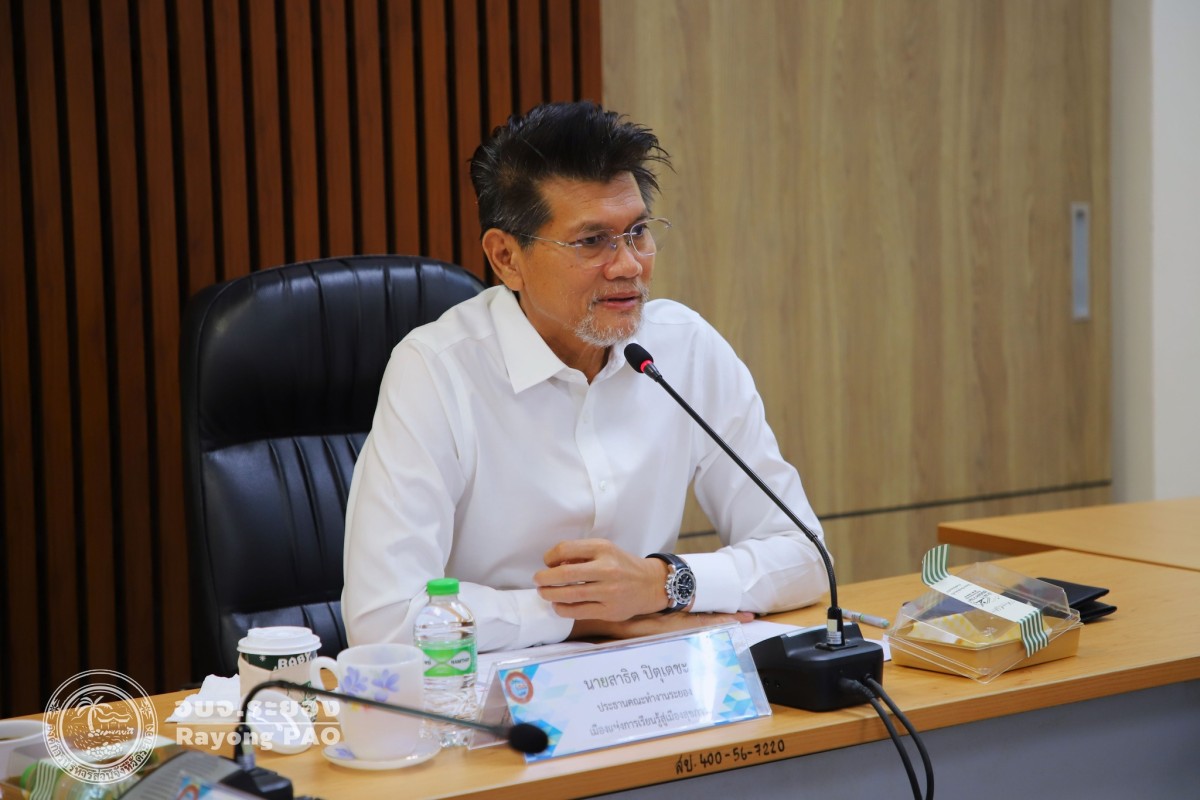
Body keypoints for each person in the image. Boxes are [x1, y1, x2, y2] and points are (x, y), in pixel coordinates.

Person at [342, 101, 828, 652]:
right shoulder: (436, 371)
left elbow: (805, 553)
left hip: (652, 680)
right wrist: (589, 618)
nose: (628, 265)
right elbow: (383, 621)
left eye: (637, 232)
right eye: (592, 241)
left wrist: (662, 583)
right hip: (490, 691)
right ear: (506, 258)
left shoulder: (684, 348)